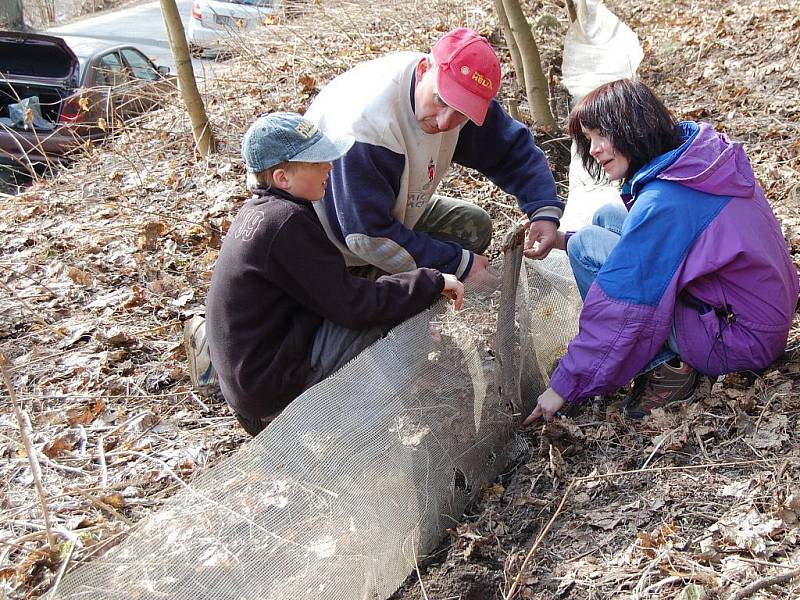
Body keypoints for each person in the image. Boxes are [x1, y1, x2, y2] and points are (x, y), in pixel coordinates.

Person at [523, 79, 799, 423]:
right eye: (589, 139)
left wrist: (563, 386)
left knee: (585, 247)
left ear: (632, 128)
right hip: (758, 319)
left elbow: (621, 302)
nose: (593, 149)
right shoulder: (697, 161)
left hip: (736, 339)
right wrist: (559, 239)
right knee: (605, 218)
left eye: (601, 135)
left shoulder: (665, 202)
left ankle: (666, 368)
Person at [185, 112, 463, 436]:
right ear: (282, 178)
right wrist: (432, 281)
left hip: (251, 382)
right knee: (383, 317)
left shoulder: (259, 213)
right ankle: (360, 434)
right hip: (271, 389)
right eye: (316, 162)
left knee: (386, 297)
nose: (329, 166)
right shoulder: (285, 223)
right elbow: (354, 306)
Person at [304, 27, 562, 287]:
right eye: (440, 100)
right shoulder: (366, 128)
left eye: (461, 113)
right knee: (385, 311)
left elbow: (511, 152)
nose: (445, 122)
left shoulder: (459, 91)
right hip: (332, 244)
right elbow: (367, 236)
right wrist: (457, 265)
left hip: (389, 211)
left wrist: (543, 210)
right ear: (424, 68)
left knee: (472, 226)